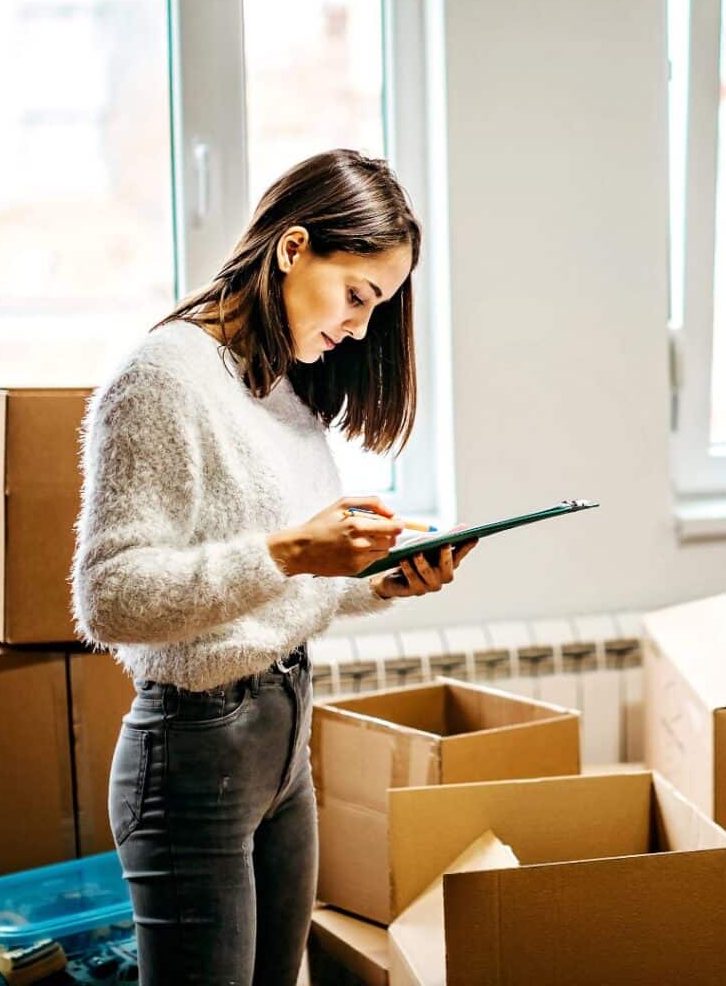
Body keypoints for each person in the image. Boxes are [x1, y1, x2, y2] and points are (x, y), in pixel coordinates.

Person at [70, 149, 477, 986]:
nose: (361, 328)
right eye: (357, 296)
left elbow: (273, 588)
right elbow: (108, 598)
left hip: (283, 737)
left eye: (380, 306)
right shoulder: (162, 378)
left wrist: (377, 578)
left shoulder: (278, 386)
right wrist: (292, 549)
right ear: (293, 249)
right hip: (194, 754)